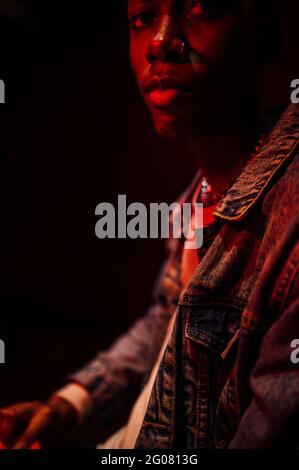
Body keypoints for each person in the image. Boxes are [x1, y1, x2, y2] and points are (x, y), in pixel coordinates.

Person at [1, 0, 299, 449]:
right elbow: (166, 324)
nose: (160, 43)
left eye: (201, 7)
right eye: (143, 18)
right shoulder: (204, 193)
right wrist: (68, 405)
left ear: (262, 36)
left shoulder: (288, 227)